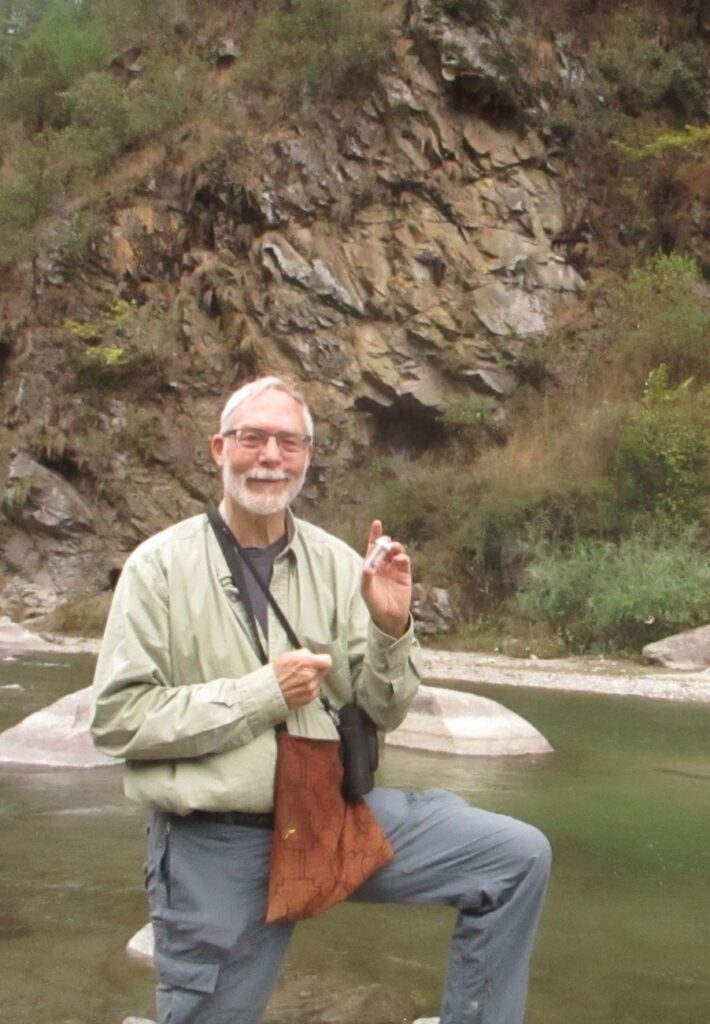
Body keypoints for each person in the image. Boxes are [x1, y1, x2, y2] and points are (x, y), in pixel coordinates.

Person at [90, 375, 551, 1024]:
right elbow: (116, 721)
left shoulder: (340, 565)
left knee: (513, 856)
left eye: (289, 442)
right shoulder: (157, 568)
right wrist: (261, 694)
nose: (270, 456)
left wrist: (392, 627)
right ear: (219, 449)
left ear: (307, 456)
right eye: (253, 439)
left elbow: (384, 709)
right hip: (216, 840)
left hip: (330, 817)